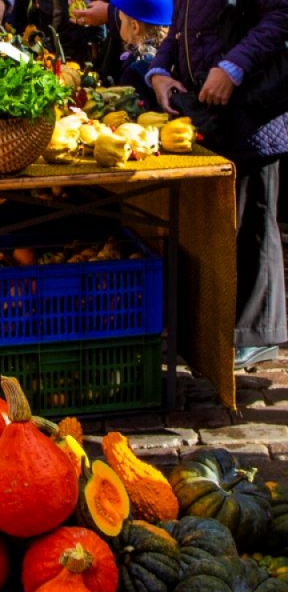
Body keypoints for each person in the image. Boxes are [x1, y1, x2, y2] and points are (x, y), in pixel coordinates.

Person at [144, 0, 288, 368]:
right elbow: (178, 27)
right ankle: (216, 329)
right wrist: (159, 72)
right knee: (221, 222)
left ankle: (255, 333)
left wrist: (232, 67)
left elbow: (280, 15)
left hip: (253, 104)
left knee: (252, 218)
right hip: (209, 109)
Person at [73, 0, 171, 107]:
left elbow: (131, 109)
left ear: (135, 27)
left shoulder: (135, 71)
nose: (119, 24)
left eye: (121, 20)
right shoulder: (166, 57)